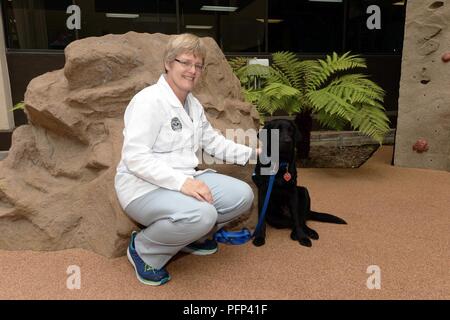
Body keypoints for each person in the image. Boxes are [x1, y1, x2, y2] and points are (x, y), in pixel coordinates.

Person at [115, 33, 258, 286]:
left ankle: (193, 237)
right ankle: (144, 249)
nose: (192, 70)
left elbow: (213, 142)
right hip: (143, 187)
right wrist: (183, 184)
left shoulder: (193, 104)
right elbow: (135, 158)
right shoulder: (149, 101)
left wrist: (253, 154)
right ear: (168, 63)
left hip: (184, 180)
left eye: (198, 65)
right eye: (185, 63)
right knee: (202, 214)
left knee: (242, 195)